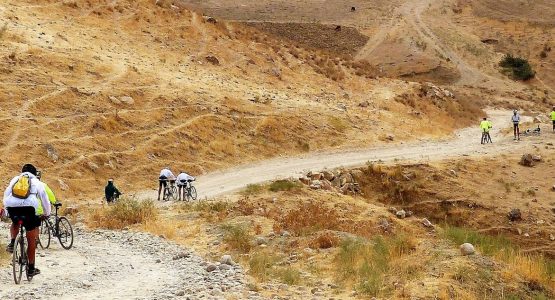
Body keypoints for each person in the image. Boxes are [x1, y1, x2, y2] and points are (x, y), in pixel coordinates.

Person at [3, 164, 50, 277]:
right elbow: (44, 198)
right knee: (31, 239)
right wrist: (47, 213)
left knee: (15, 222)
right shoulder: (36, 182)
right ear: (34, 173)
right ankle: (31, 268)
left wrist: (7, 210)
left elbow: (6, 194)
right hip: (29, 209)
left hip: (12, 207)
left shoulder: (15, 179)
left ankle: (13, 242)